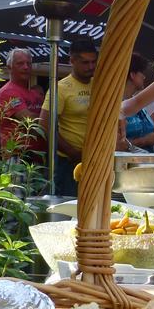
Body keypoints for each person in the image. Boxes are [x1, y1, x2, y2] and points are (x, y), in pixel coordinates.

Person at [40, 38, 99, 197]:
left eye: (93, 62)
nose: (91, 67)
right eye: (85, 63)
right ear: (72, 60)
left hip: (96, 157)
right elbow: (45, 124)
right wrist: (72, 152)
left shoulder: (99, 83)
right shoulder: (61, 88)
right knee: (70, 207)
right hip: (68, 162)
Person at [0, 49, 45, 162]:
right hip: (17, 158)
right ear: (9, 67)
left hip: (38, 158)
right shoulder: (7, 92)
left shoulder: (34, 93)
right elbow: (29, 119)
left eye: (29, 63)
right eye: (20, 63)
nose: (26, 67)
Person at [119, 52, 154, 152]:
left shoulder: (138, 102)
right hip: (128, 164)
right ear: (132, 75)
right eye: (142, 73)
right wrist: (144, 141)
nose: (144, 77)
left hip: (147, 162)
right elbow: (116, 146)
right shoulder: (115, 106)